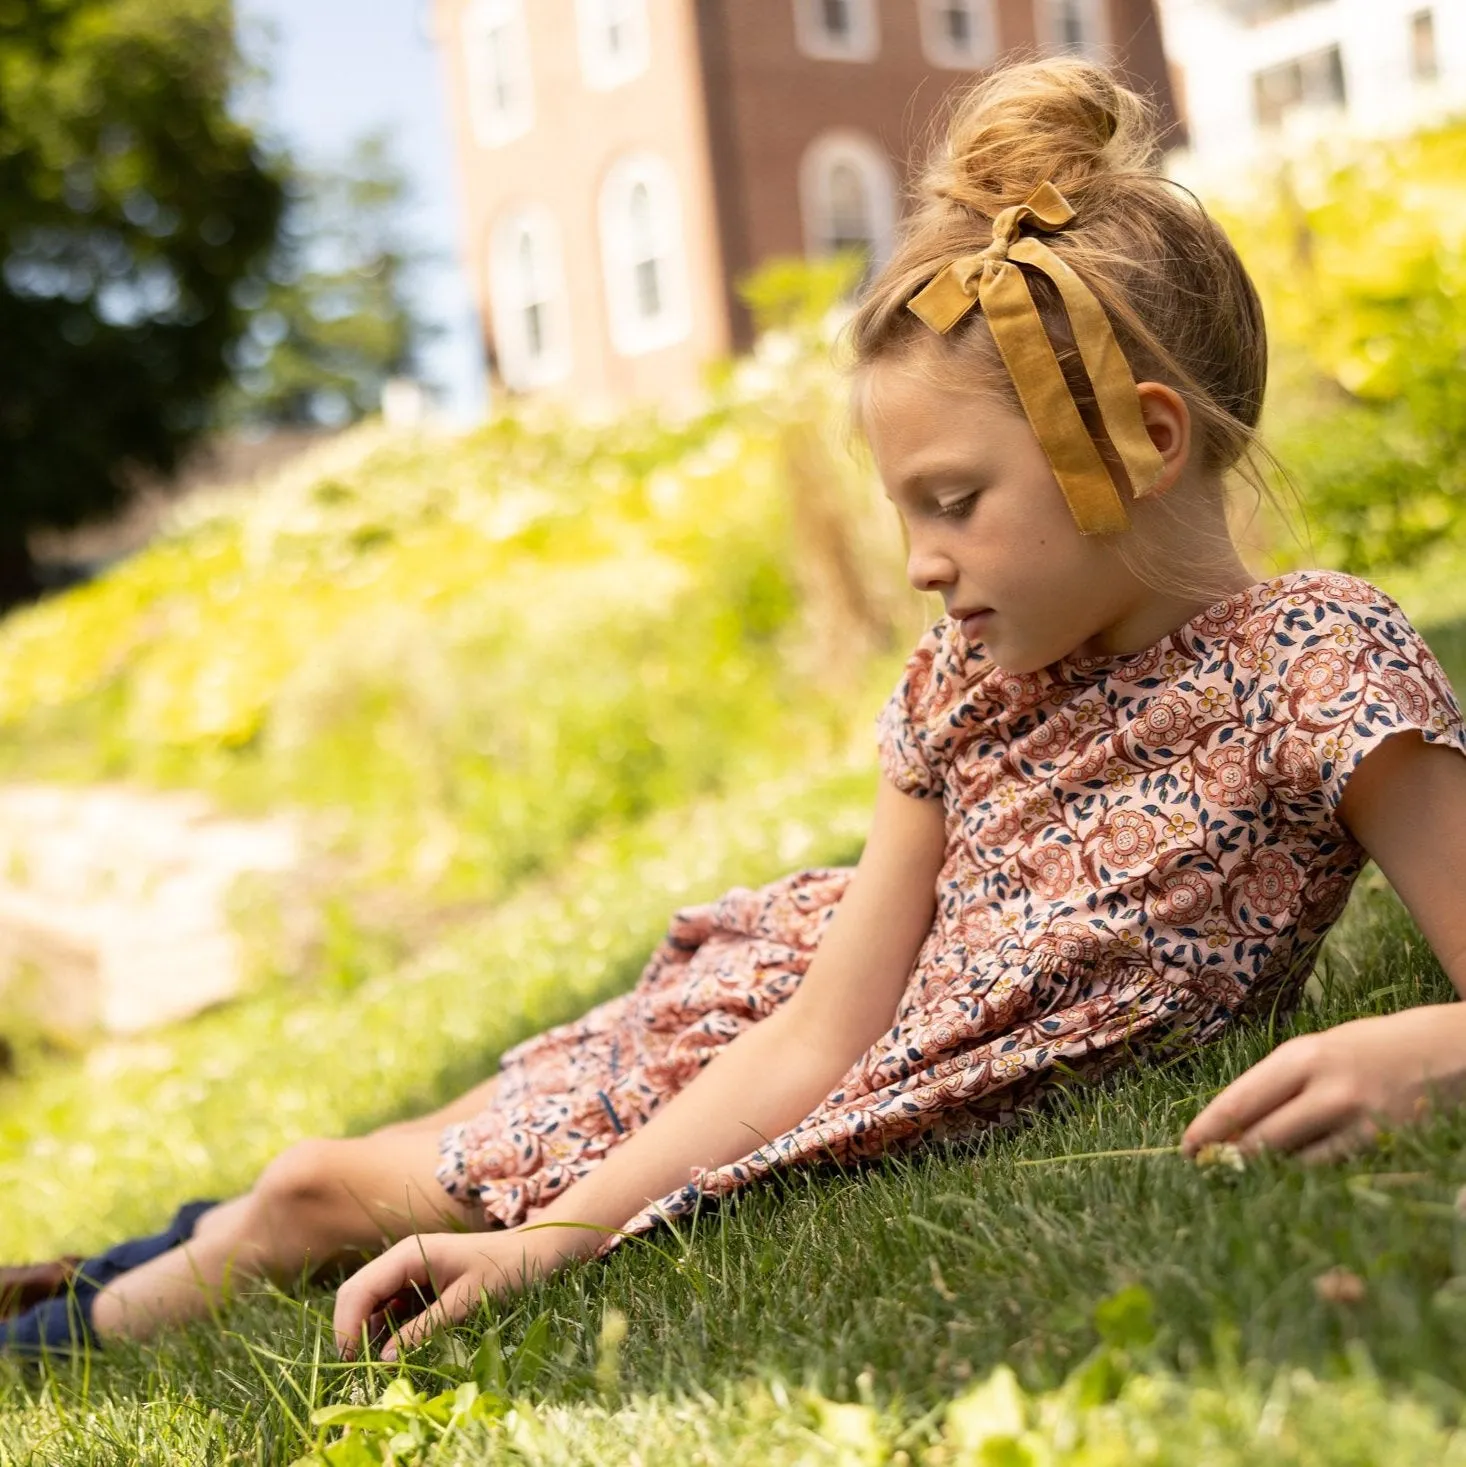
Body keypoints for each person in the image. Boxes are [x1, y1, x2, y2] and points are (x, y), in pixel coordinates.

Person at [7, 57, 1466, 1362]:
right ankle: (72, 1319)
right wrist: (548, 1238)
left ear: (1143, 440)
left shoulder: (1314, 662)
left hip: (885, 1059)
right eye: (904, 511)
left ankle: (97, 1296)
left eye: (953, 502)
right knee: (305, 1191)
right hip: (763, 1017)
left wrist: (1410, 1048)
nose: (920, 565)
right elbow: (821, 1023)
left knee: (313, 1189)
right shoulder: (964, 688)